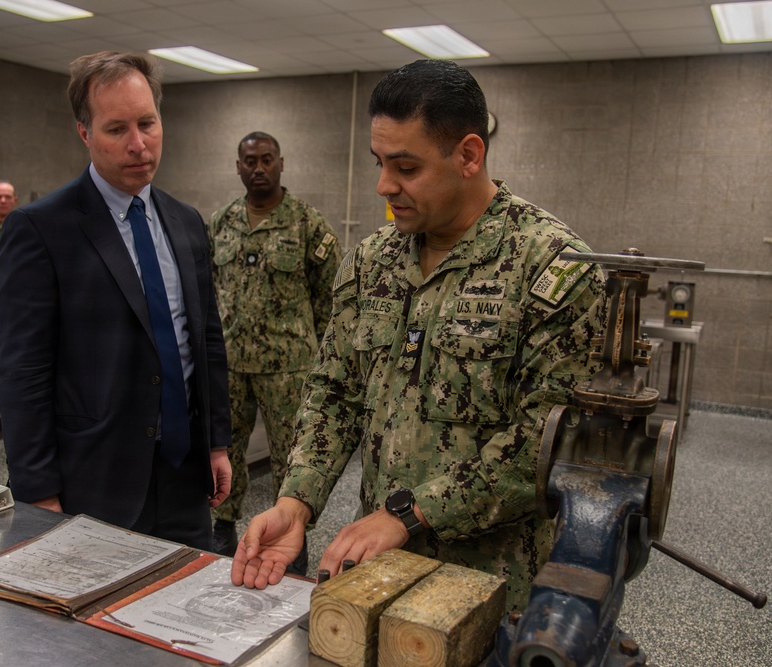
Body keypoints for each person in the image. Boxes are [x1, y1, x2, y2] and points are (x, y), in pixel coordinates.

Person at [231, 59, 607, 610]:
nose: (385, 185)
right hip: (377, 570)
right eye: (379, 163)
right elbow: (334, 393)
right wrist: (297, 499)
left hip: (491, 584)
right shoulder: (372, 261)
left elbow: (551, 442)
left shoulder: (553, 268)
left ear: (469, 155)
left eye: (405, 167)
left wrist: (411, 514)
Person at [0, 52, 231, 551]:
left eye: (147, 123)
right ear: (84, 133)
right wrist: (37, 491)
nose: (138, 144)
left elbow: (205, 339)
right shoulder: (41, 230)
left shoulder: (186, 221)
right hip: (95, 481)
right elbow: (24, 373)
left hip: (185, 475)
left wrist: (215, 441)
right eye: (116, 128)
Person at [208, 132, 341, 568]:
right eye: (250, 161)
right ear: (238, 166)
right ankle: (222, 527)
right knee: (223, 449)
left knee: (291, 456)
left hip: (289, 368)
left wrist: (319, 358)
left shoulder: (308, 224)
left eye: (266, 160)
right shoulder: (221, 222)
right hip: (230, 364)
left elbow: (330, 300)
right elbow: (208, 290)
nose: (258, 168)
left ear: (281, 164)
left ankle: (293, 540)